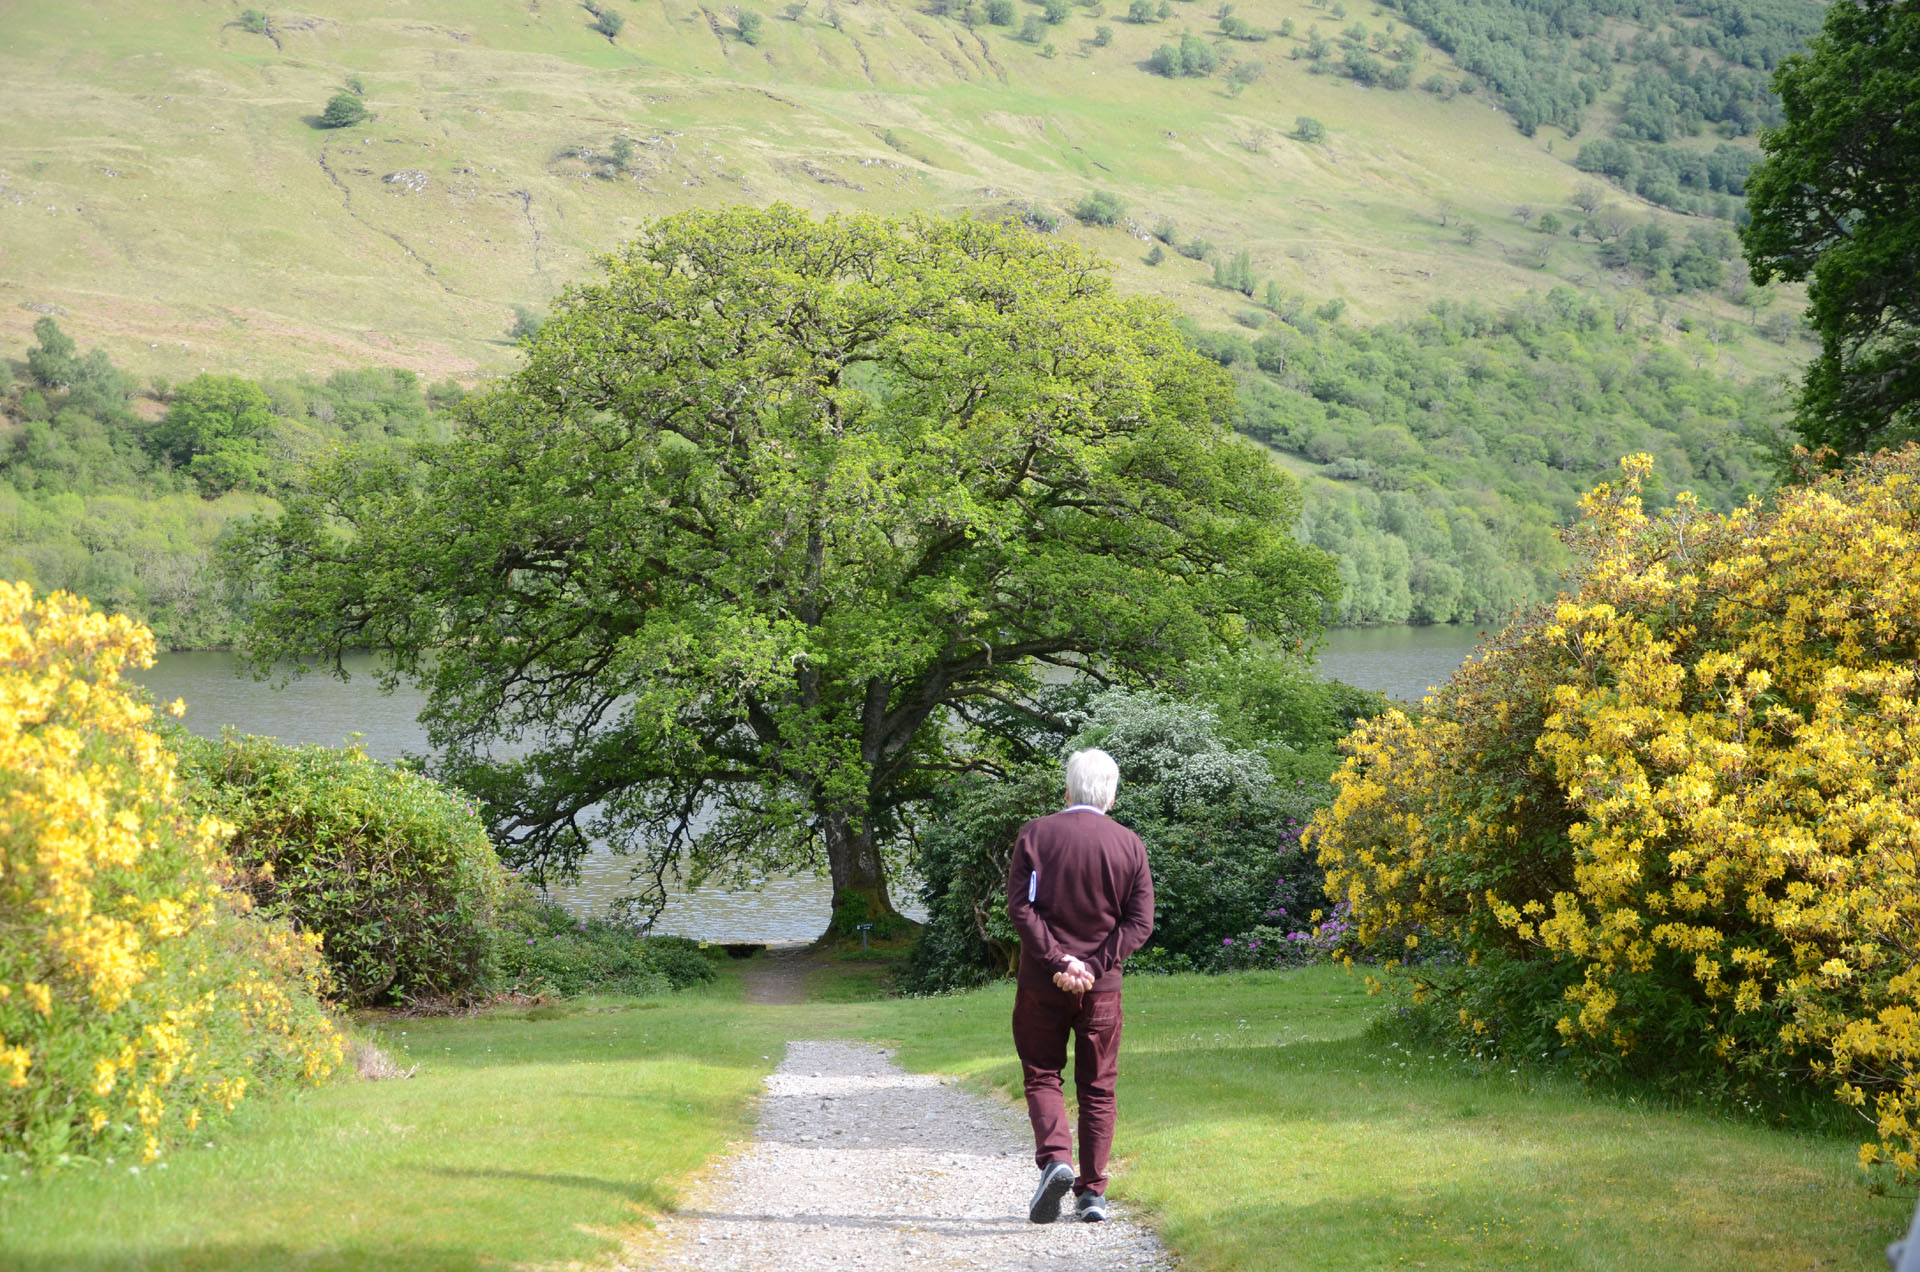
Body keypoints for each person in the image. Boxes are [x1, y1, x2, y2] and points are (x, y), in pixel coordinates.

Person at [1006, 747, 1155, 1224]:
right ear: (1110, 797)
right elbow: (1140, 921)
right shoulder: (1129, 844)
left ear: (1067, 790)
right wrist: (1092, 965)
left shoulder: (1036, 834)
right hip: (1103, 988)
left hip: (1041, 985)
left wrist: (1057, 960)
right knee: (1098, 1088)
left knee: (1042, 1072)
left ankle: (1056, 1159)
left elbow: (1021, 908)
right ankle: (1091, 1193)